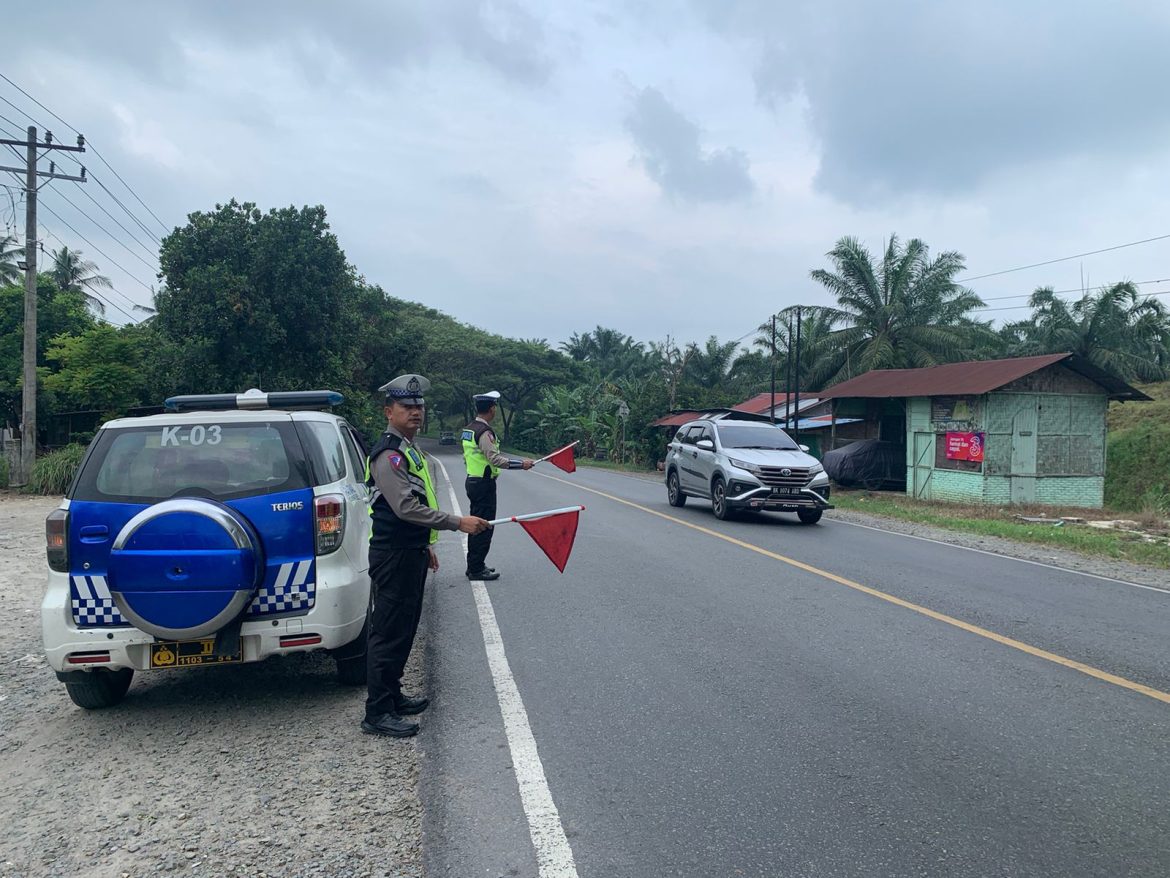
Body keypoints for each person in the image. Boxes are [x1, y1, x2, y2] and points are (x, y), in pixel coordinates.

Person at [363, 374, 489, 738]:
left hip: (411, 550)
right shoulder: (389, 454)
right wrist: (456, 523)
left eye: (419, 406)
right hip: (393, 554)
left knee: (404, 630)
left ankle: (392, 695)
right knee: (388, 632)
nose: (416, 412)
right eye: (407, 406)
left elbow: (419, 502)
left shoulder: (409, 448)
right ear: (389, 411)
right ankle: (377, 712)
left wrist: (427, 544)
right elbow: (404, 507)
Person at [461, 391, 534, 581]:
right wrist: (521, 464)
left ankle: (475, 565)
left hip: (473, 480)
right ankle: (476, 569)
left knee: (477, 525)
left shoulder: (469, 429)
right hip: (483, 484)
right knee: (484, 526)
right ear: (492, 409)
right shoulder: (484, 432)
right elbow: (494, 459)